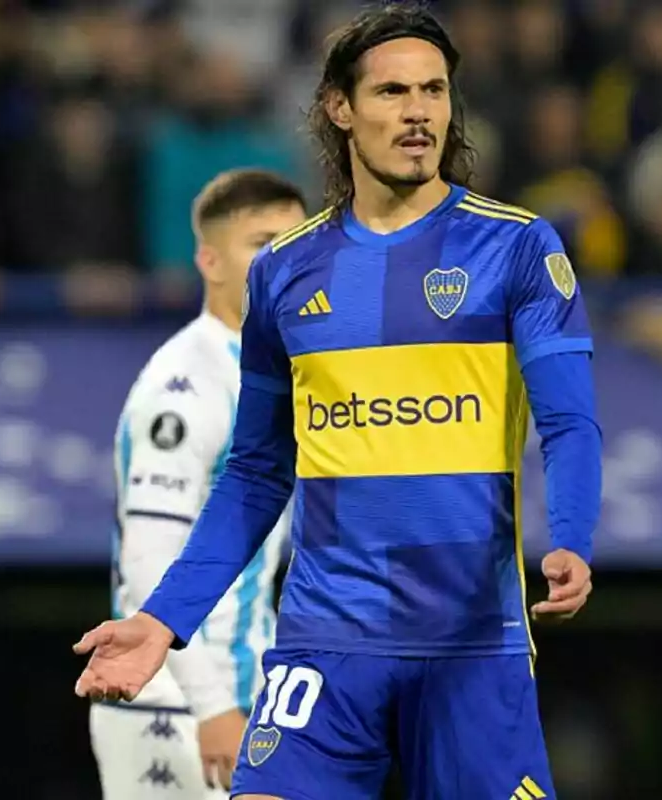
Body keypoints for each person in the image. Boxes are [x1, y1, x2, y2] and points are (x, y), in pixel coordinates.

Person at [74, 4, 603, 799]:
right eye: (392, 92)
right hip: (325, 643)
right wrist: (162, 620)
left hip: (468, 644)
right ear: (340, 108)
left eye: (434, 90)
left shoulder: (517, 247)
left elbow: (569, 422)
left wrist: (571, 536)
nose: (419, 111)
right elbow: (256, 473)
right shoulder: (284, 271)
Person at [89, 169, 307, 799]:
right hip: (174, 703)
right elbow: (146, 565)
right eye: (262, 243)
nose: (281, 263)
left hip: (251, 689)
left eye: (293, 245)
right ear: (210, 260)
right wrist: (211, 707)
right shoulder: (184, 387)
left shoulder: (271, 373)